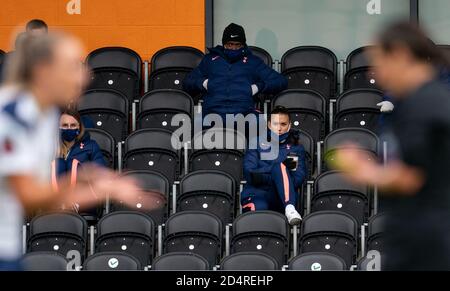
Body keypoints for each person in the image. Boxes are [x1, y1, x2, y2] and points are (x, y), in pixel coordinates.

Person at [0, 32, 141, 270]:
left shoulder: (45, 118)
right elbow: (28, 196)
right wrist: (101, 190)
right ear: (44, 72)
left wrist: (85, 178)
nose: (85, 75)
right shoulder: (12, 114)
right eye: (72, 67)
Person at [331, 22, 450, 270]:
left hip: (425, 246)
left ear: (400, 54)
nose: (374, 73)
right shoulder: (426, 99)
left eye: (379, 61)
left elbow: (411, 177)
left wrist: (362, 169)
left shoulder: (423, 104)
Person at [183, 23, 287, 121]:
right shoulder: (210, 60)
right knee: (192, 129)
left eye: (237, 45)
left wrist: (257, 87)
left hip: (244, 115)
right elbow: (187, 82)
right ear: (224, 44)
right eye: (230, 44)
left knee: (259, 127)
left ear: (243, 45)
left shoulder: (253, 61)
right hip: (212, 114)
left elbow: (280, 81)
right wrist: (204, 83)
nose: (233, 48)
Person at [241, 106, 307, 225]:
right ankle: (290, 207)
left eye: (283, 124)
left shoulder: (296, 148)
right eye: (276, 124)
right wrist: (279, 175)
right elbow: (250, 173)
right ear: (269, 125)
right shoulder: (255, 143)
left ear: (289, 125)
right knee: (279, 167)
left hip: (280, 197)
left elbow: (298, 178)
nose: (279, 128)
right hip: (256, 193)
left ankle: (289, 208)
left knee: (279, 167)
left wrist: (272, 173)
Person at [52, 108, 105, 215]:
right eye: (65, 125)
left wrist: (83, 172)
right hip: (53, 199)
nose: (69, 128)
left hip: (83, 199)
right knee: (59, 163)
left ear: (79, 127)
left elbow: (100, 171)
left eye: (73, 125)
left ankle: (71, 203)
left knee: (73, 164)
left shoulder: (90, 145)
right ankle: (59, 203)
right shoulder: (50, 147)